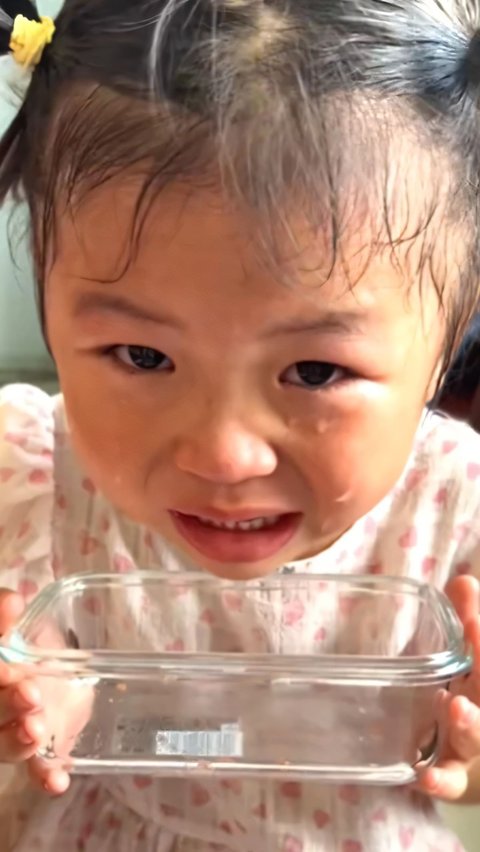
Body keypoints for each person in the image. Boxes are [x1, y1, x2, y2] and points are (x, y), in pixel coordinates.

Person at [0, 0, 479, 849]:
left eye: (317, 371)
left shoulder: (459, 510)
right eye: (141, 357)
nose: (222, 454)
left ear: (447, 345)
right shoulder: (28, 474)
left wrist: (467, 748)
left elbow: (455, 765)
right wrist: (40, 702)